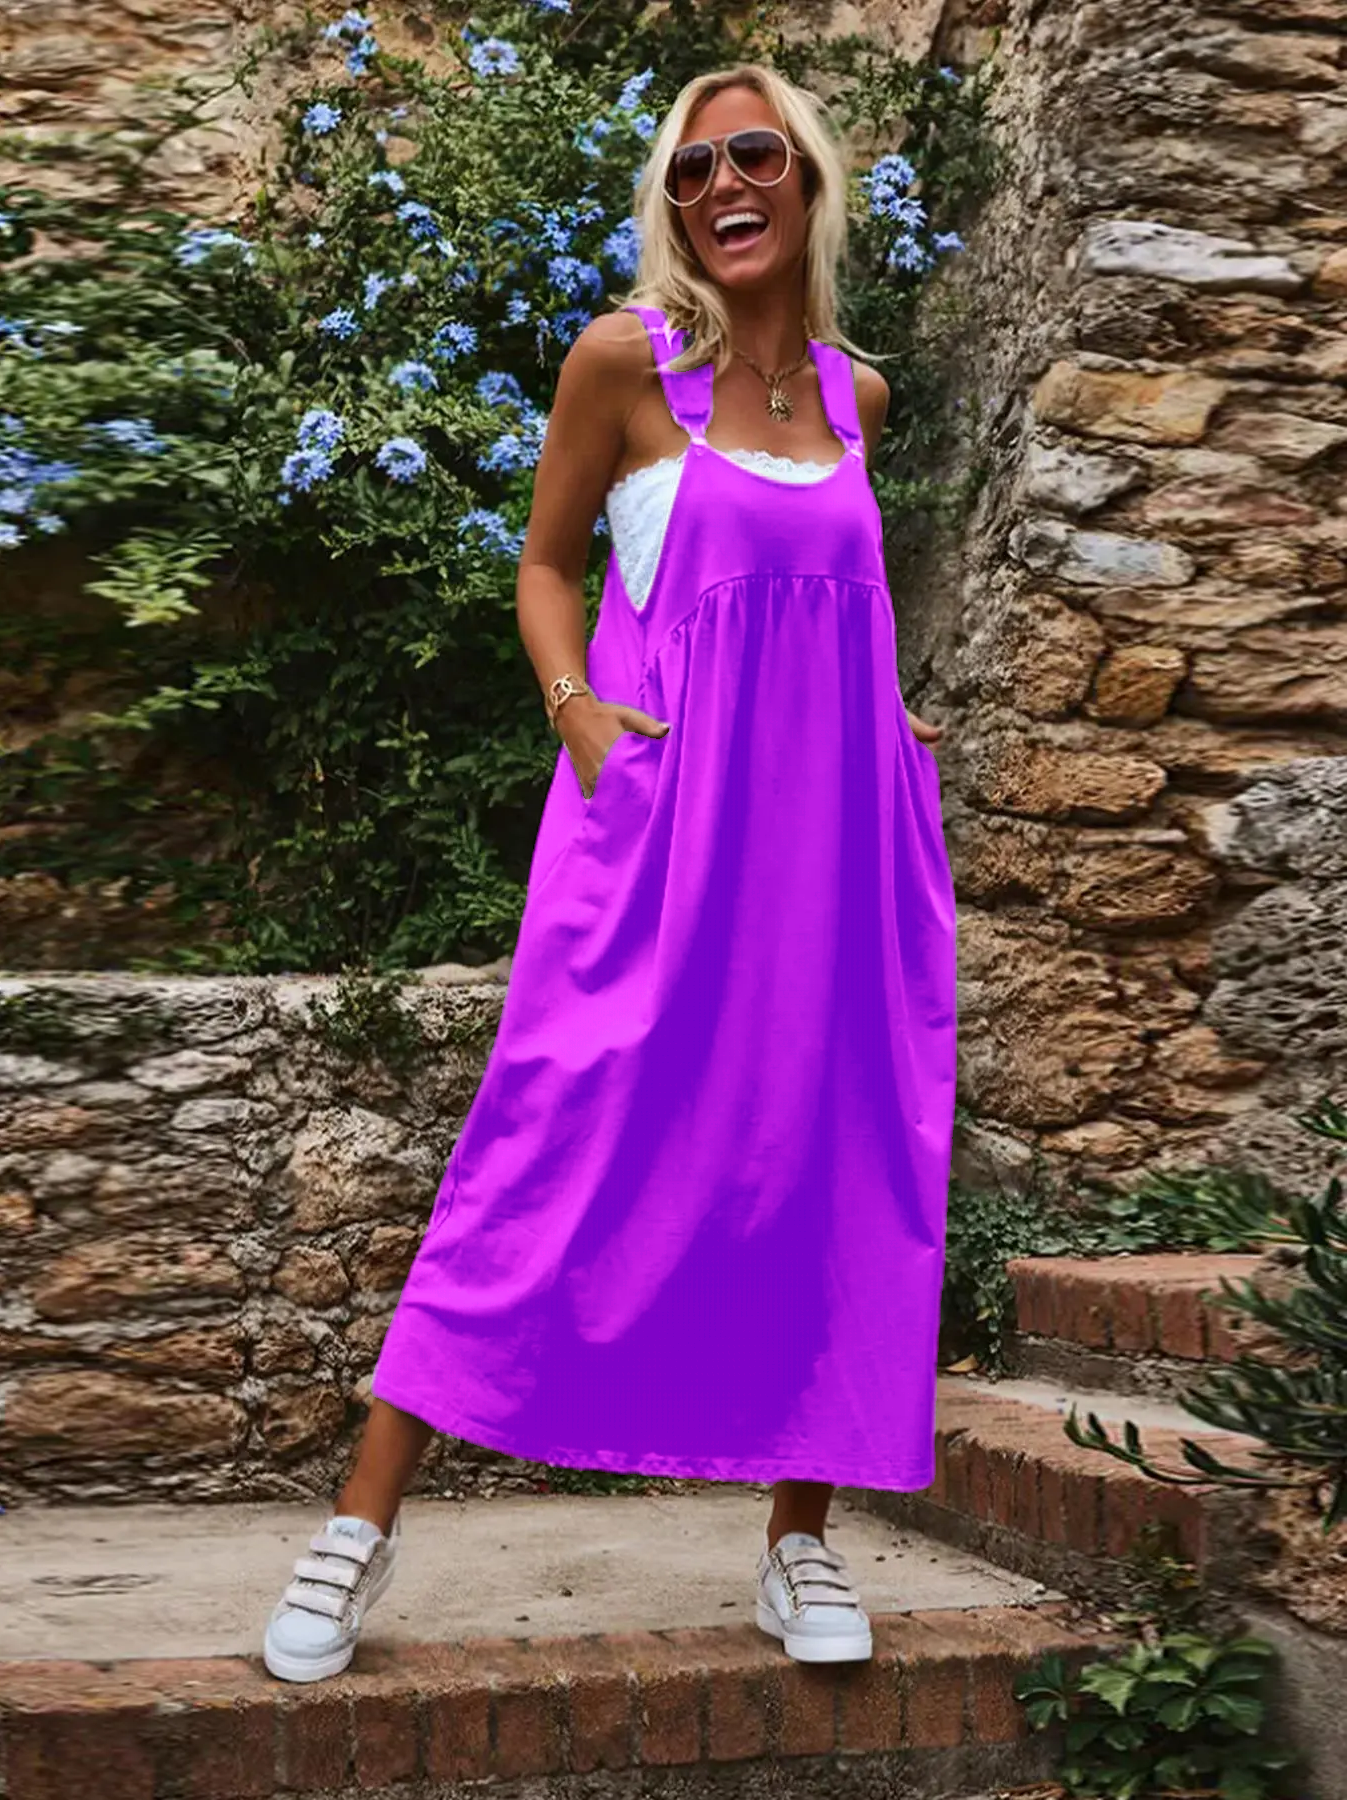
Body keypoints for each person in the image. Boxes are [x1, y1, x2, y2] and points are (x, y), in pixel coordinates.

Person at [262, 59, 957, 1687]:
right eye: (691, 168)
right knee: (544, 1139)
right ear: (670, 203)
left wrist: (889, 713)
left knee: (831, 1155)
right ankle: (355, 1528)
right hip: (657, 826)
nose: (722, 186)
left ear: (807, 183)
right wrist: (573, 706)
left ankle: (797, 1539)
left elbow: (835, 606)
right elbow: (544, 564)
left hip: (837, 844)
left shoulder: (855, 396)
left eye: (754, 156)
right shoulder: (624, 364)